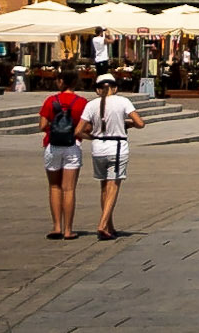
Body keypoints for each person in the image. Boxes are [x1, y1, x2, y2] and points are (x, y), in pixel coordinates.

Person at [77, 72, 144, 240]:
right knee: (113, 186)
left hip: (98, 147)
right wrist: (127, 124)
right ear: (114, 88)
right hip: (117, 146)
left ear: (98, 90)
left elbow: (78, 131)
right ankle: (102, 223)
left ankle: (109, 225)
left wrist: (92, 136)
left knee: (104, 187)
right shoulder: (123, 101)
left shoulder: (91, 105)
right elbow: (140, 123)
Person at [39, 68, 88, 240]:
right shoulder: (82, 102)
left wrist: (55, 129)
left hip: (52, 146)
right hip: (72, 146)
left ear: (60, 81)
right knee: (69, 189)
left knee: (54, 187)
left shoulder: (51, 100)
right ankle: (68, 230)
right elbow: (87, 127)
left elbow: (42, 125)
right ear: (75, 82)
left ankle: (56, 227)